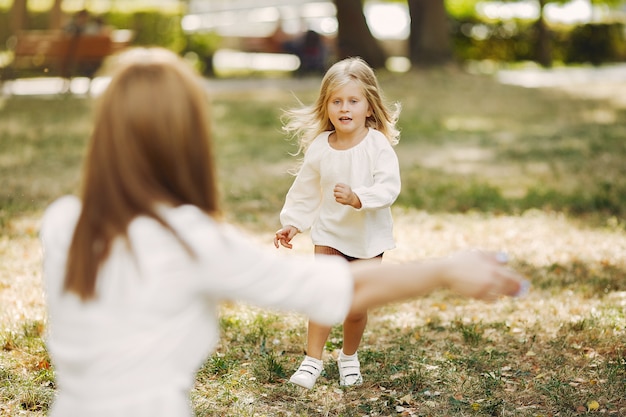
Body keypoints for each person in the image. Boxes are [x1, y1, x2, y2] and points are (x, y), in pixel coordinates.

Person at [40, 47, 526, 417]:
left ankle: (342, 356)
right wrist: (444, 269)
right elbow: (331, 287)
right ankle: (318, 357)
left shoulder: (61, 223)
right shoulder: (193, 241)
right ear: (188, 137)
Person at [273, 56, 403, 389]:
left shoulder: (377, 145)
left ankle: (348, 356)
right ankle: (312, 360)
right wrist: (293, 223)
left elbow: (389, 187)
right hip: (329, 234)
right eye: (337, 101)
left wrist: (360, 197)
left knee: (356, 306)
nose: (345, 108)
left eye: (353, 101)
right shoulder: (321, 147)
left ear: (369, 108)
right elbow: (305, 190)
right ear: (327, 106)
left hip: (368, 239)